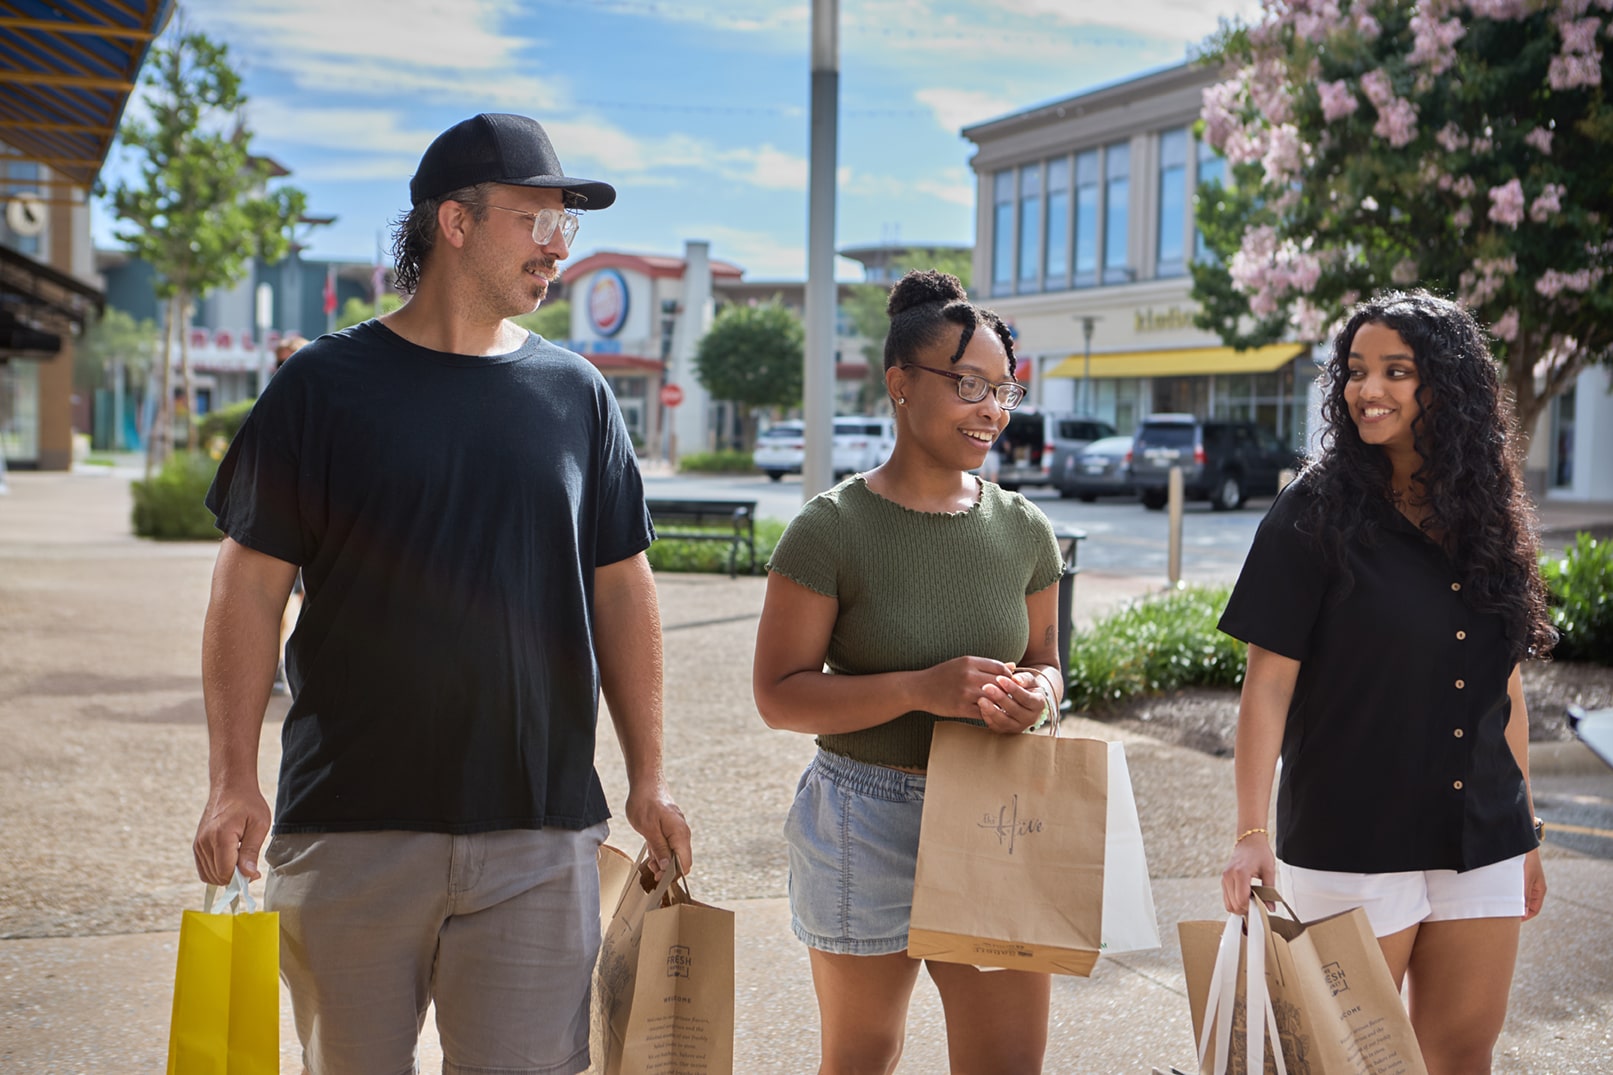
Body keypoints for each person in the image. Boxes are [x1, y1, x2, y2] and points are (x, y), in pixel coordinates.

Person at [194, 113, 692, 1075]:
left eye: (566, 226)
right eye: (534, 219)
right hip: (351, 828)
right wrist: (230, 776)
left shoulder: (576, 394)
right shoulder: (322, 389)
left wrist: (650, 773)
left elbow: (623, 592)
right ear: (452, 223)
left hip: (540, 831)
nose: (557, 246)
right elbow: (247, 588)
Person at [1218, 290, 1553, 1074]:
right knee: (1341, 1063)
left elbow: (1501, 690)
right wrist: (1250, 832)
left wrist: (1525, 830)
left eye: (1395, 371)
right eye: (1356, 371)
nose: (1366, 390)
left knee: (1462, 1053)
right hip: (1351, 838)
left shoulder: (1489, 514)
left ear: (1446, 384)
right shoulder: (1312, 511)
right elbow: (1265, 687)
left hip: (1482, 838)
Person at [752, 270, 1065, 1075]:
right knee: (861, 1057)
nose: (991, 409)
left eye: (1004, 389)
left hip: (995, 810)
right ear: (899, 383)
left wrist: (1035, 697)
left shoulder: (1025, 530)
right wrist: (921, 688)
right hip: (863, 814)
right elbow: (778, 694)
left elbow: (1050, 666)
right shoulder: (829, 530)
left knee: (1005, 1064)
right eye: (968, 384)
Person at [266, 334, 308, 696]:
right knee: (278, 601)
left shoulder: (326, 406)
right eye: (279, 363)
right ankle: (278, 666)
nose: (284, 369)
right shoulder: (270, 409)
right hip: (283, 526)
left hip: (321, 532)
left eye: (291, 360)